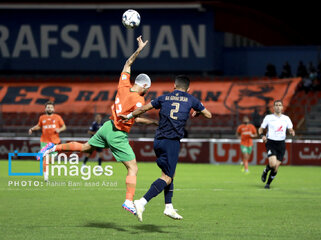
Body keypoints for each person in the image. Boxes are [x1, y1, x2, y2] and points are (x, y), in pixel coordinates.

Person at [38, 36, 158, 215]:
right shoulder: (139, 100)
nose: (148, 91)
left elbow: (127, 64)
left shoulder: (123, 85)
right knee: (133, 168)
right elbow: (138, 113)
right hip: (117, 134)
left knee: (86, 148)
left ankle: (52, 148)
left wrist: (139, 49)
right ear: (145, 86)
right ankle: (128, 201)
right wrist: (152, 107)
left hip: (107, 127)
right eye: (148, 88)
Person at [121, 75, 212, 222]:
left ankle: (169, 206)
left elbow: (144, 108)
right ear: (188, 89)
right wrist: (198, 111)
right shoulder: (191, 99)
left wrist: (129, 115)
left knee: (170, 173)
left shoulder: (163, 98)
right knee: (167, 177)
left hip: (158, 141)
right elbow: (209, 115)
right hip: (172, 142)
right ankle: (142, 202)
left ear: (174, 86)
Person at [258, 100, 295, 189]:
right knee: (273, 164)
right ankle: (265, 171)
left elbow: (290, 129)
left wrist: (292, 131)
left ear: (282, 107)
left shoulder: (286, 118)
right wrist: (262, 136)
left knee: (276, 168)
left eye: (280, 105)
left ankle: (268, 184)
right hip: (271, 142)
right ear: (274, 107)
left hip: (281, 144)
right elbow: (260, 129)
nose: (278, 107)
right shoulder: (268, 117)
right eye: (276, 105)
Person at [28, 101, 66, 182]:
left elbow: (64, 126)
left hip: (55, 142)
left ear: (54, 109)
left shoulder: (57, 117)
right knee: (45, 158)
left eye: (51, 107)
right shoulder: (42, 117)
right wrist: (32, 129)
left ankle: (45, 161)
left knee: (51, 161)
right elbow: (39, 126)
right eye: (48, 107)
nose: (49, 108)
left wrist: (59, 129)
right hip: (44, 141)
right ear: (45, 109)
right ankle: (46, 177)